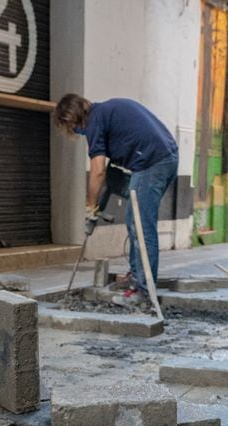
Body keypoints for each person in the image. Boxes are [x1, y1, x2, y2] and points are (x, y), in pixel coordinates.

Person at [54, 93, 179, 307]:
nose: (74, 132)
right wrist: (97, 205)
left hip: (153, 162)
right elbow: (108, 176)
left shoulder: (94, 122)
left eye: (70, 127)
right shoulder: (104, 113)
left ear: (71, 119)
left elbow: (98, 171)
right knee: (129, 204)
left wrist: (90, 208)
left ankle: (144, 292)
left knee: (139, 225)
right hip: (164, 158)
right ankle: (136, 276)